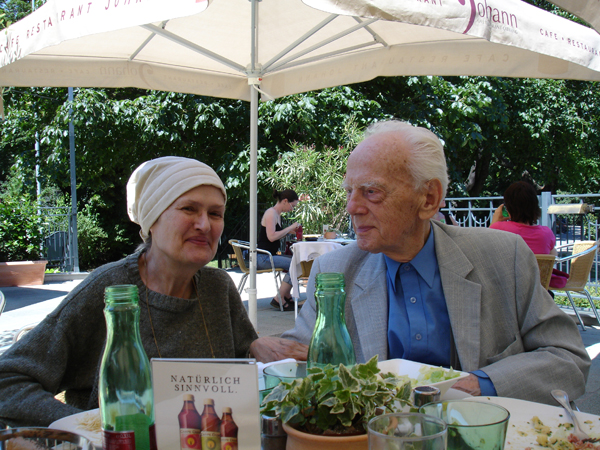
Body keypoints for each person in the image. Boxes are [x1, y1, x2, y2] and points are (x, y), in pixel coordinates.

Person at [251, 120, 590, 405]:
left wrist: (480, 384)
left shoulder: (503, 257)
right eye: (350, 191)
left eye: (371, 191)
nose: (352, 207)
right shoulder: (336, 272)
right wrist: (262, 348)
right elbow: (296, 360)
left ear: (428, 199)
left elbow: (568, 358)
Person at [0, 156, 258, 428]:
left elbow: (242, 373)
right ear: (152, 219)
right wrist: (84, 427)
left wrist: (256, 348)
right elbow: (7, 382)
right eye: (189, 209)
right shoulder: (110, 291)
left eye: (215, 214)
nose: (205, 225)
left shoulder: (218, 288)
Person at [258, 189, 301, 311]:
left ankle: (286, 295)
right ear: (285, 201)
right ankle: (279, 297)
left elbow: (275, 235)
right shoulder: (271, 213)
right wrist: (289, 228)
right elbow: (271, 237)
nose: (292, 209)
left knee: (297, 261)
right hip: (263, 257)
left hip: (268, 255)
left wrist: (288, 232)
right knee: (296, 264)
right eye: (292, 206)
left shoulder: (277, 214)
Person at [490, 180, 557, 256]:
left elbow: (484, 248)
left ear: (508, 207)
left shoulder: (498, 229)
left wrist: (494, 222)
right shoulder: (546, 233)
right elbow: (553, 258)